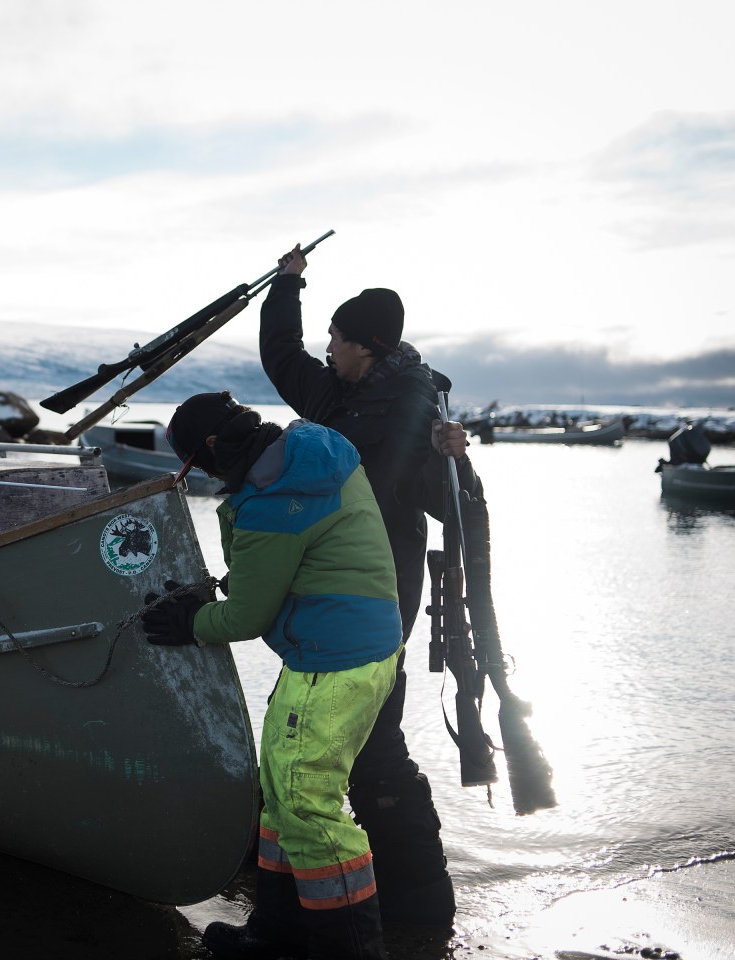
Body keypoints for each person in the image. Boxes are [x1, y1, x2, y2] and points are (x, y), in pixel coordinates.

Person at [256, 243, 482, 930]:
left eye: (336, 337)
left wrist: (457, 465)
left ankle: (411, 909)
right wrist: (288, 284)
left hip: (375, 610)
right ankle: (374, 903)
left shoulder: (415, 416)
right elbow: (281, 356)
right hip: (329, 604)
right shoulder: (341, 393)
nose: (325, 347)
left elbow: (459, 512)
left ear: (364, 347)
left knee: (368, 754)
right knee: (330, 750)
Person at [141, 391, 404, 960]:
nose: (196, 475)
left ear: (212, 448)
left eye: (190, 464)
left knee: (306, 803)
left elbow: (245, 616)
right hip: (360, 645)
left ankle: (353, 949)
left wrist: (188, 622)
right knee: (281, 791)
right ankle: (278, 933)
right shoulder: (314, 453)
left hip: (333, 661)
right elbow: (288, 566)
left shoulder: (269, 504)